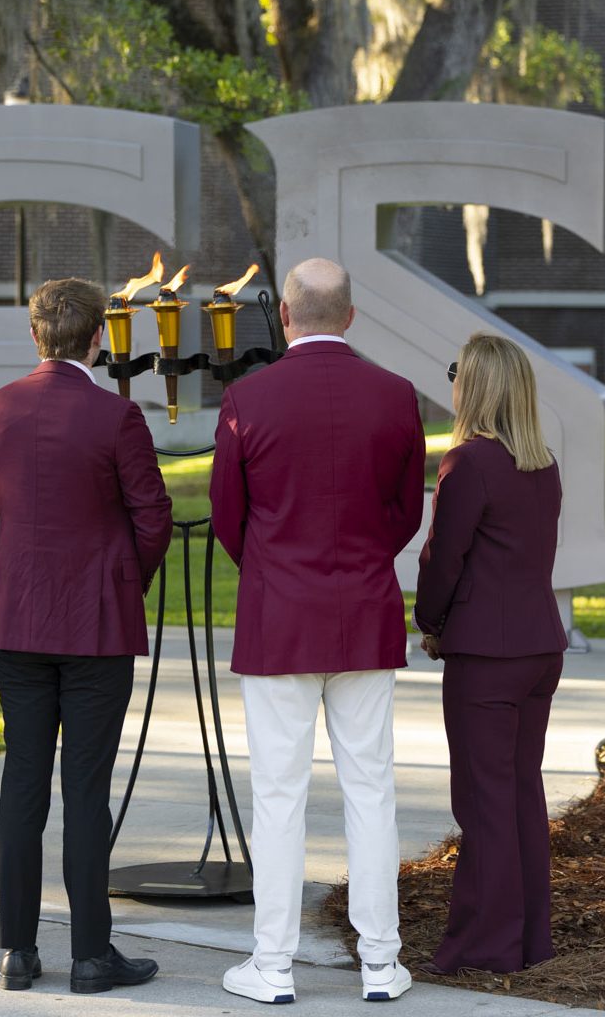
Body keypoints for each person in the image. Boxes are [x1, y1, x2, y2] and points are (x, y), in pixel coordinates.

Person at [210, 257, 425, 1005]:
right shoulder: (395, 395)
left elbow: (229, 518)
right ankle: (380, 962)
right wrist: (362, 559)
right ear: (352, 317)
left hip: (279, 617)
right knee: (371, 790)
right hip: (364, 610)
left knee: (278, 794)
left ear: (287, 318)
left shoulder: (247, 397)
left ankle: (272, 965)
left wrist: (273, 568)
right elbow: (406, 512)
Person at [0, 277, 172, 995]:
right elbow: (154, 518)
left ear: (35, 335)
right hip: (93, 620)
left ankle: (16, 952)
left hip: (17, 614)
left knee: (22, 780)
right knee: (85, 788)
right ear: (97, 339)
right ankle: (90, 954)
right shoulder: (116, 416)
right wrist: (122, 579)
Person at [414, 333, 567, 976]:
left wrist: (428, 621)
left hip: (487, 655)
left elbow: (443, 559)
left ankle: (489, 945)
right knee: (519, 794)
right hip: (539, 648)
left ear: (472, 386)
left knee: (483, 802)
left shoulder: (468, 464)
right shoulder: (543, 463)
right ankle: (530, 939)